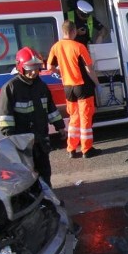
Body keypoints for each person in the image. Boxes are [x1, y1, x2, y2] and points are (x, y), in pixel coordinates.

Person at [0, 47, 67, 187]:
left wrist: (60, 127)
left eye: (37, 67)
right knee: (28, 174)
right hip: (23, 142)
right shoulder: (10, 88)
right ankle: (35, 202)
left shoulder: (41, 86)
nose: (34, 72)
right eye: (30, 68)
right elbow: (5, 118)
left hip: (41, 138)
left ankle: (48, 200)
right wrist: (12, 139)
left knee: (45, 171)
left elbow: (50, 108)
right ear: (21, 67)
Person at [47, 21, 100, 159]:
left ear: (63, 31)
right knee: (85, 118)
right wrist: (97, 83)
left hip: (68, 87)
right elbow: (89, 69)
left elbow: (50, 68)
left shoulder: (55, 47)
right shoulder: (79, 46)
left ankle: (71, 148)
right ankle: (87, 149)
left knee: (73, 119)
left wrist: (62, 74)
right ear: (74, 31)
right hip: (82, 86)